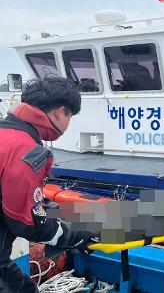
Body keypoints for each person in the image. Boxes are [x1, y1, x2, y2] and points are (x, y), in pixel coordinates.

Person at [0, 77, 100, 293]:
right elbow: (25, 221)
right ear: (59, 112)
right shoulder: (27, 150)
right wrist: (74, 235)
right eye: (70, 116)